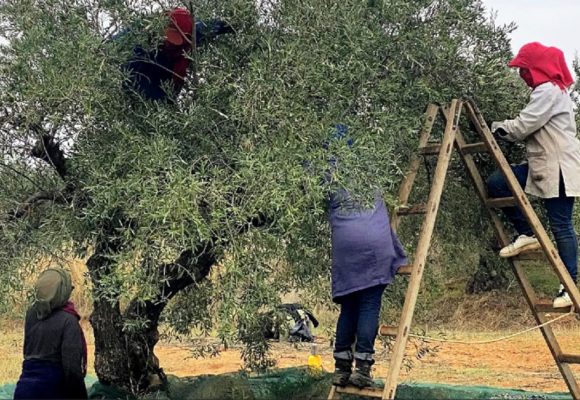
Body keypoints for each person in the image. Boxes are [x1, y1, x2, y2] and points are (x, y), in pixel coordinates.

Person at [487, 42, 580, 308]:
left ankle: (569, 285)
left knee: (561, 224)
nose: (522, 76)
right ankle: (527, 233)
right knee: (498, 183)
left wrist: (496, 127)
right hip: (546, 165)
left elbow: (525, 125)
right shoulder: (552, 91)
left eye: (524, 69)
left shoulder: (548, 90)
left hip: (559, 168)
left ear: (537, 69)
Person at [325, 125, 408, 388]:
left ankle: (340, 368)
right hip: (374, 244)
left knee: (349, 304)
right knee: (369, 304)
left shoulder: (326, 170)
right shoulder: (369, 162)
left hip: (345, 246)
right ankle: (362, 367)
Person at [121, 7, 233, 102]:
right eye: (167, 38)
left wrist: (235, 24)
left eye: (175, 41)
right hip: (139, 77)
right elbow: (113, 51)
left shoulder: (191, 35)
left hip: (167, 79)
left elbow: (214, 26)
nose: (168, 43)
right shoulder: (138, 37)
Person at [14, 269, 88, 399]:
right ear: (62, 292)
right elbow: (72, 369)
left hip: (23, 391)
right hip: (52, 392)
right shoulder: (68, 321)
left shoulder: (32, 313)